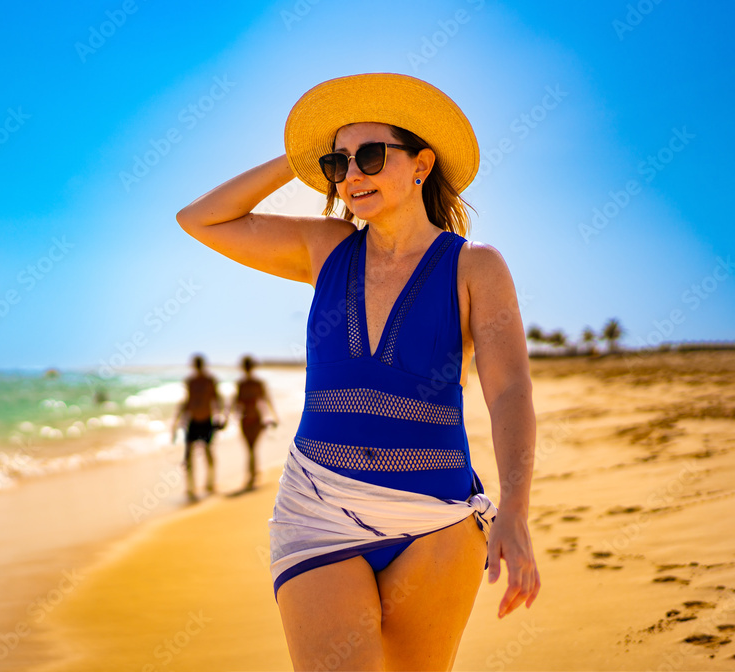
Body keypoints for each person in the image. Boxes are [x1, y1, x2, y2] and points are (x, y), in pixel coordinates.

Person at [176, 73, 540, 670]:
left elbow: (508, 392)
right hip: (317, 505)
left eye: (370, 156)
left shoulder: (475, 267)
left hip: (436, 516)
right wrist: (297, 162)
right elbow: (202, 220)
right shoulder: (326, 249)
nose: (352, 175)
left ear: (422, 164)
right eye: (338, 163)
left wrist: (517, 515)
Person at [172, 353, 223, 501]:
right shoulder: (190, 381)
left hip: (206, 421)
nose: (198, 367)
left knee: (208, 451)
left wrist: (219, 416)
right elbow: (188, 400)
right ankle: (190, 487)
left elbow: (216, 398)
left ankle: (211, 481)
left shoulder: (210, 380)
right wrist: (179, 418)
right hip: (192, 421)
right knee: (188, 455)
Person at [224, 355, 279, 491]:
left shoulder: (257, 383)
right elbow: (234, 402)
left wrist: (273, 416)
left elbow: (266, 399)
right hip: (245, 420)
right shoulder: (241, 384)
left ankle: (252, 475)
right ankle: (253, 473)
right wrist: (226, 417)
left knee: (252, 448)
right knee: (249, 449)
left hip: (256, 420)